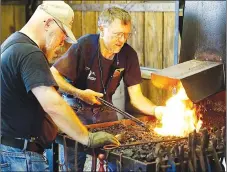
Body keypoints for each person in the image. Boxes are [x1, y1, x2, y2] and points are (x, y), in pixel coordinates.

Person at [0, 1, 119, 171]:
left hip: (11, 151)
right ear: (48, 23)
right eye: (62, 33)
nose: (62, 42)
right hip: (21, 157)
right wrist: (87, 137)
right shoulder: (30, 53)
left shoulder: (13, 43)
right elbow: (53, 105)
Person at [51, 6, 164, 171]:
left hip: (104, 107)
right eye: (117, 34)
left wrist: (157, 110)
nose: (122, 40)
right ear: (102, 28)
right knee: (73, 163)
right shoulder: (85, 45)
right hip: (76, 107)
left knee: (116, 159)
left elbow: (137, 97)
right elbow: (53, 74)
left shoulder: (128, 54)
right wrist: (80, 93)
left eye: (126, 35)